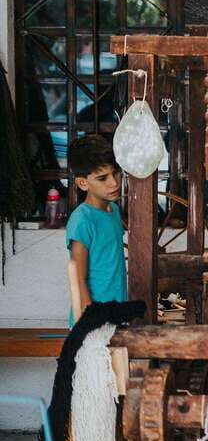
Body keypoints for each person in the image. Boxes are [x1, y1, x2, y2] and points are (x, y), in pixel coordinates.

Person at [65, 135, 127, 326]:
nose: (114, 182)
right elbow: (79, 279)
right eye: (102, 178)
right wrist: (91, 320)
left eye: (116, 173)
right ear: (83, 183)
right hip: (93, 319)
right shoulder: (82, 220)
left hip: (115, 312)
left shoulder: (113, 210)